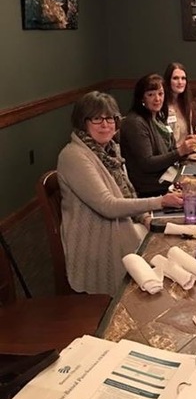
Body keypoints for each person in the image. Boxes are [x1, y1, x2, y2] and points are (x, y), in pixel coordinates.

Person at [57, 91, 183, 296]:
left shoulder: (110, 150)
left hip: (122, 224)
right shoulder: (74, 156)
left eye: (110, 118)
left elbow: (126, 195)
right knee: (164, 259)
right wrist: (160, 201)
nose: (105, 125)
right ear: (82, 122)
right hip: (97, 240)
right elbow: (108, 205)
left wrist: (144, 218)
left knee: (171, 242)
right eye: (97, 119)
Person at [120, 73, 196, 197]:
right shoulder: (135, 123)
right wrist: (180, 152)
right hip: (152, 188)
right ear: (141, 98)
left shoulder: (158, 117)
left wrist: (186, 147)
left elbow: (170, 152)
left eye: (160, 94)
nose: (157, 99)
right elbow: (147, 164)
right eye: (151, 95)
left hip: (170, 175)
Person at [162, 62, 196, 144]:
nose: (180, 82)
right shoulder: (161, 106)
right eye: (175, 78)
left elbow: (189, 134)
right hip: (170, 151)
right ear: (168, 81)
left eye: (183, 78)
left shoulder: (187, 104)